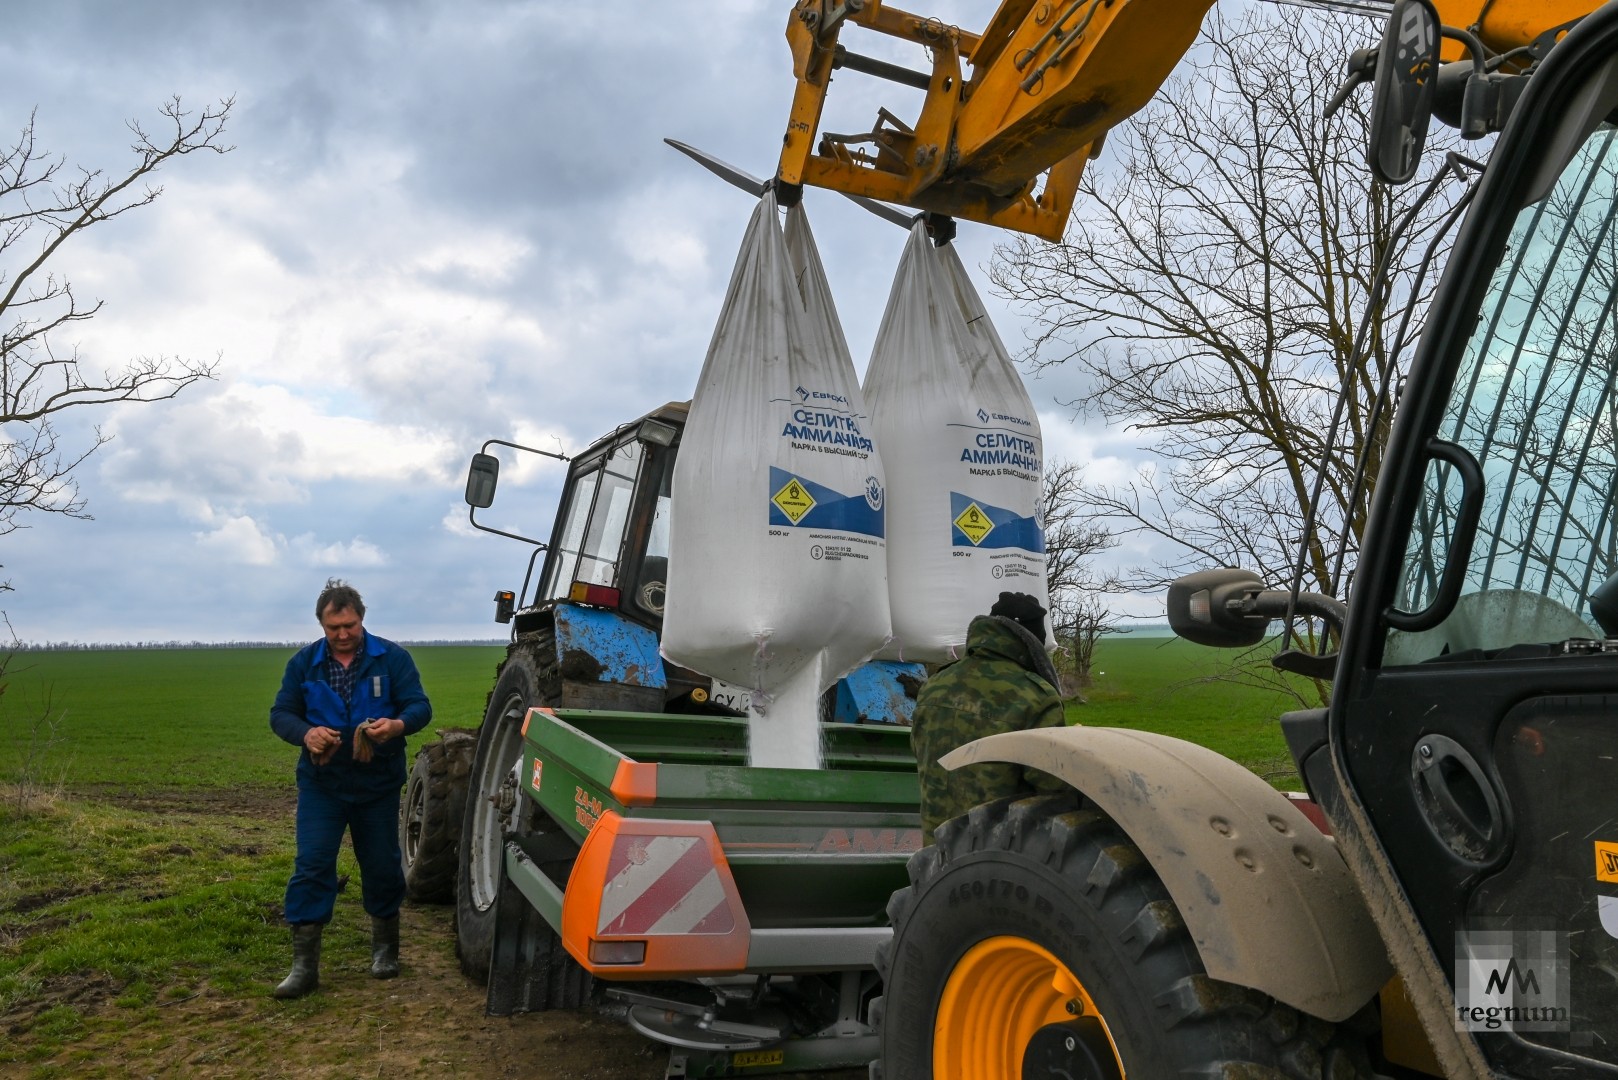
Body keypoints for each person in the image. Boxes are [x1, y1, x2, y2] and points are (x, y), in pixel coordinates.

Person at [268, 578, 432, 998]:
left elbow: (419, 706)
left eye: (350, 626)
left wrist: (396, 726)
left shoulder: (392, 658)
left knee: (380, 864)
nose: (342, 635)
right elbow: (282, 714)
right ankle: (304, 968)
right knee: (312, 865)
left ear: (362, 619)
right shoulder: (304, 665)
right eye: (333, 628)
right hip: (323, 785)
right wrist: (306, 734)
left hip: (377, 784)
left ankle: (385, 950)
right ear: (322, 625)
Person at [910, 591, 1068, 842]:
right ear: (1032, 640)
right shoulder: (1035, 696)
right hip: (998, 863)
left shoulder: (935, 685)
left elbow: (920, 753)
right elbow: (1054, 791)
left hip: (935, 855)